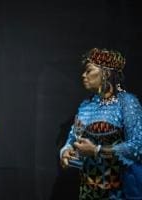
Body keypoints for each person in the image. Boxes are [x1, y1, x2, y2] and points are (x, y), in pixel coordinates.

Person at [60, 48, 142, 199]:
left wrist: (97, 150)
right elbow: (72, 138)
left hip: (117, 191)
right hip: (88, 191)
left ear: (106, 73)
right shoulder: (86, 105)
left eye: (89, 70)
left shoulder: (127, 103)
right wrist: (65, 152)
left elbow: (138, 146)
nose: (83, 75)